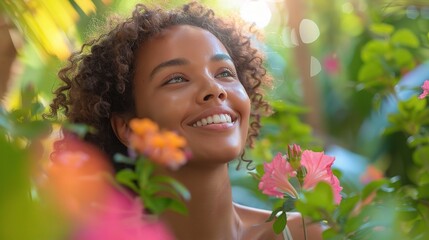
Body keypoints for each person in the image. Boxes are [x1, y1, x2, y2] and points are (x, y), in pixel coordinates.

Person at [48, 2, 323, 240]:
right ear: (128, 127)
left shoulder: (307, 235)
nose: (215, 89)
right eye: (176, 79)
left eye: (225, 72)